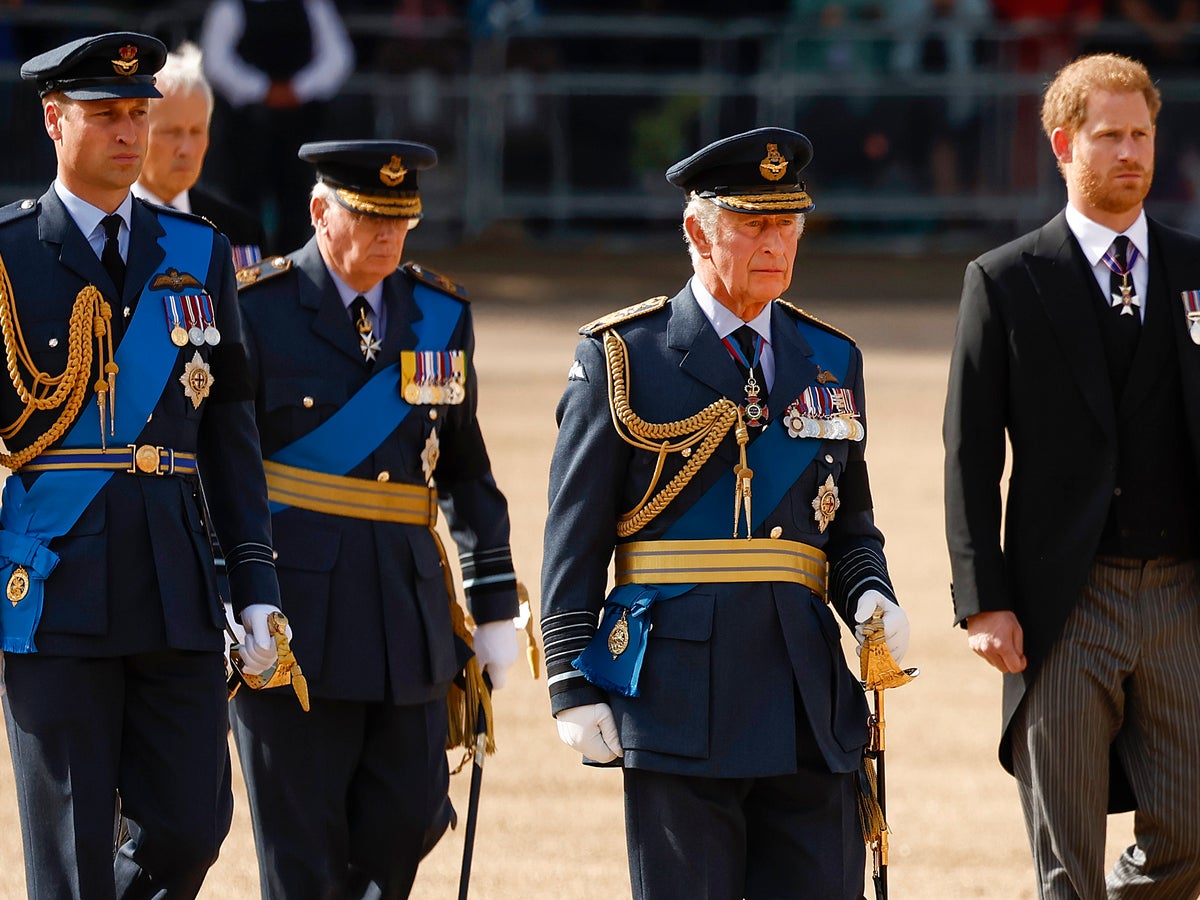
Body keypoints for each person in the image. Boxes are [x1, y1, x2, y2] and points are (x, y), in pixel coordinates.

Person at [540, 126, 911, 899]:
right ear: (696, 230)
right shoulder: (622, 357)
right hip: (676, 699)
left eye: (787, 225)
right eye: (752, 224)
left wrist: (869, 590)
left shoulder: (832, 358)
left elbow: (848, 524)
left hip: (808, 699)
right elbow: (574, 540)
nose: (775, 243)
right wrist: (570, 684)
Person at [0, 31, 286, 899]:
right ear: (54, 120)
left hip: (177, 581)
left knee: (191, 825)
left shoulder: (196, 252)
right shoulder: (7, 252)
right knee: (76, 857)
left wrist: (257, 584)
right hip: (55, 587)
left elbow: (230, 428)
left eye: (138, 113)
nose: (131, 133)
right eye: (105, 115)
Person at [230, 139, 523, 898]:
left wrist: (494, 610)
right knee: (302, 852)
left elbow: (465, 471)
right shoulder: (257, 307)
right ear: (321, 212)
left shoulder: (438, 314)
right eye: (369, 217)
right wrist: (233, 595)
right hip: (293, 621)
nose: (389, 234)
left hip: (407, 615)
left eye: (402, 219)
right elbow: (223, 470)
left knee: (411, 816)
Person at [944, 53, 1200, 899]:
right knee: (1066, 859)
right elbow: (971, 455)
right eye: (1110, 136)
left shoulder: (1198, 271)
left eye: (1143, 135)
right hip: (1062, 602)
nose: (1132, 152)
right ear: (1064, 143)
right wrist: (985, 598)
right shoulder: (1005, 281)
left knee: (1192, 838)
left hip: (1181, 593)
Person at [199, 0, 354, 253]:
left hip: (301, 130)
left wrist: (297, 89)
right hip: (245, 130)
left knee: (301, 207)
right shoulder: (231, 6)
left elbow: (338, 58)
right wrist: (262, 90)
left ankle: (291, 275)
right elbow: (215, 61)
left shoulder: (313, 6)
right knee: (242, 208)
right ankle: (243, 279)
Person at [133, 40, 267, 268]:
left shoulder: (240, 231)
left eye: (196, 131)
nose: (186, 148)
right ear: (136, 131)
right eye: (170, 132)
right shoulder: (107, 225)